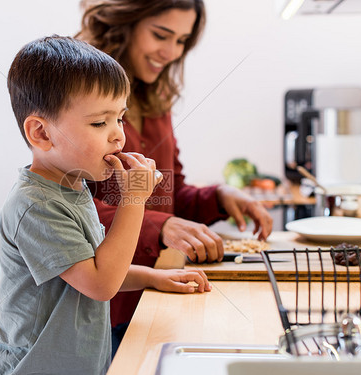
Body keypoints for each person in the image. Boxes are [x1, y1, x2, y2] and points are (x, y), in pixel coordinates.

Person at [0, 35, 210, 375]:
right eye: (98, 123)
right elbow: (100, 283)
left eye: (119, 118)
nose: (118, 135)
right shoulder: (35, 204)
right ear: (41, 133)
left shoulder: (73, 187)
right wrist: (133, 198)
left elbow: (91, 268)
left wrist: (153, 277)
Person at [77, 0, 274, 350]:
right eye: (161, 35)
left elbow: (168, 191)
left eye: (182, 40)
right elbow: (69, 203)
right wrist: (159, 224)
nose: (170, 52)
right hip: (97, 309)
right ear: (125, 23)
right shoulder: (79, 93)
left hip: (151, 297)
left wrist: (218, 197)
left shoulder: (155, 98)